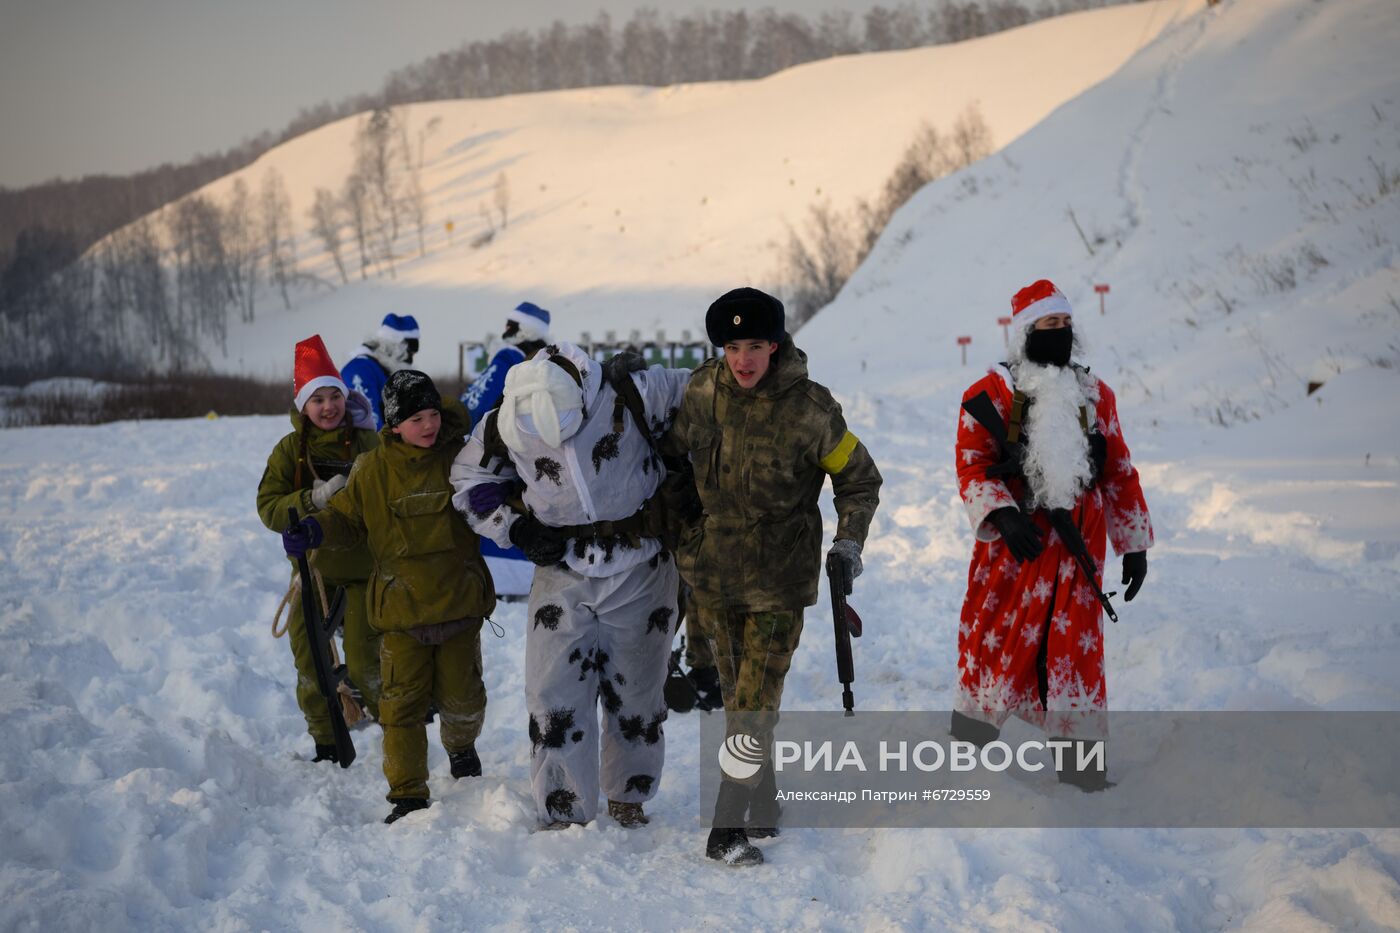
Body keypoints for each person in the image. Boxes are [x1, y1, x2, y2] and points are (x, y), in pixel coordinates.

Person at [665, 287, 882, 866]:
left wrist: (848, 543)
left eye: (755, 345)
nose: (743, 360)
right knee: (742, 700)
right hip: (714, 576)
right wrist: (685, 520)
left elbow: (859, 479)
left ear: (776, 344)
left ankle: (725, 829)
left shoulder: (812, 409)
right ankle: (764, 803)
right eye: (732, 346)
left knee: (755, 705)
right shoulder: (702, 390)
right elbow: (674, 458)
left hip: (779, 580)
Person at [450, 342, 690, 830]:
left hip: (640, 564)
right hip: (561, 570)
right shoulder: (505, 420)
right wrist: (512, 528)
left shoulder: (637, 392)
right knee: (551, 691)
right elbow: (466, 477)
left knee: (638, 689)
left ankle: (630, 795)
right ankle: (563, 806)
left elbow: (719, 392)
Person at [952, 279, 1153, 791]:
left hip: (1078, 550)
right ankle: (968, 749)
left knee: (1076, 656)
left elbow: (1120, 472)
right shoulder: (989, 395)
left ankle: (1082, 769)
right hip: (1015, 553)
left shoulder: (1093, 392)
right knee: (993, 642)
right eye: (1048, 325)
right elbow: (973, 466)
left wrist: (1134, 545)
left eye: (1065, 324)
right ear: (1024, 333)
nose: (1059, 334)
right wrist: (1004, 515)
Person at [282, 370, 496, 824]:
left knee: (464, 701)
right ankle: (408, 794)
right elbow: (346, 519)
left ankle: (461, 748)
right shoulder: (373, 470)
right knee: (401, 708)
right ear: (394, 425)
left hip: (458, 604)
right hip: (400, 614)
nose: (429, 424)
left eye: (434, 414)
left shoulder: (461, 459)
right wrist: (315, 527)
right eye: (417, 417)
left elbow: (498, 497)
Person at [256, 335, 383, 762]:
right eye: (318, 399)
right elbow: (268, 506)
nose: (328, 407)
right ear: (302, 406)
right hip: (313, 575)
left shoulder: (370, 444)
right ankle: (327, 743)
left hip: (367, 571)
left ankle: (396, 732)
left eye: (335, 396)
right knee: (310, 662)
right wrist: (311, 501)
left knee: (368, 663)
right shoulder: (290, 452)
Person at [459, 301, 553, 600]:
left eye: (510, 327)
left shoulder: (507, 359)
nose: (505, 332)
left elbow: (470, 412)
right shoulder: (548, 366)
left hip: (496, 474)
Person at [341, 313, 421, 429]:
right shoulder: (360, 370)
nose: (410, 362)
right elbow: (371, 429)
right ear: (395, 349)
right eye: (408, 355)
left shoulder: (380, 371)